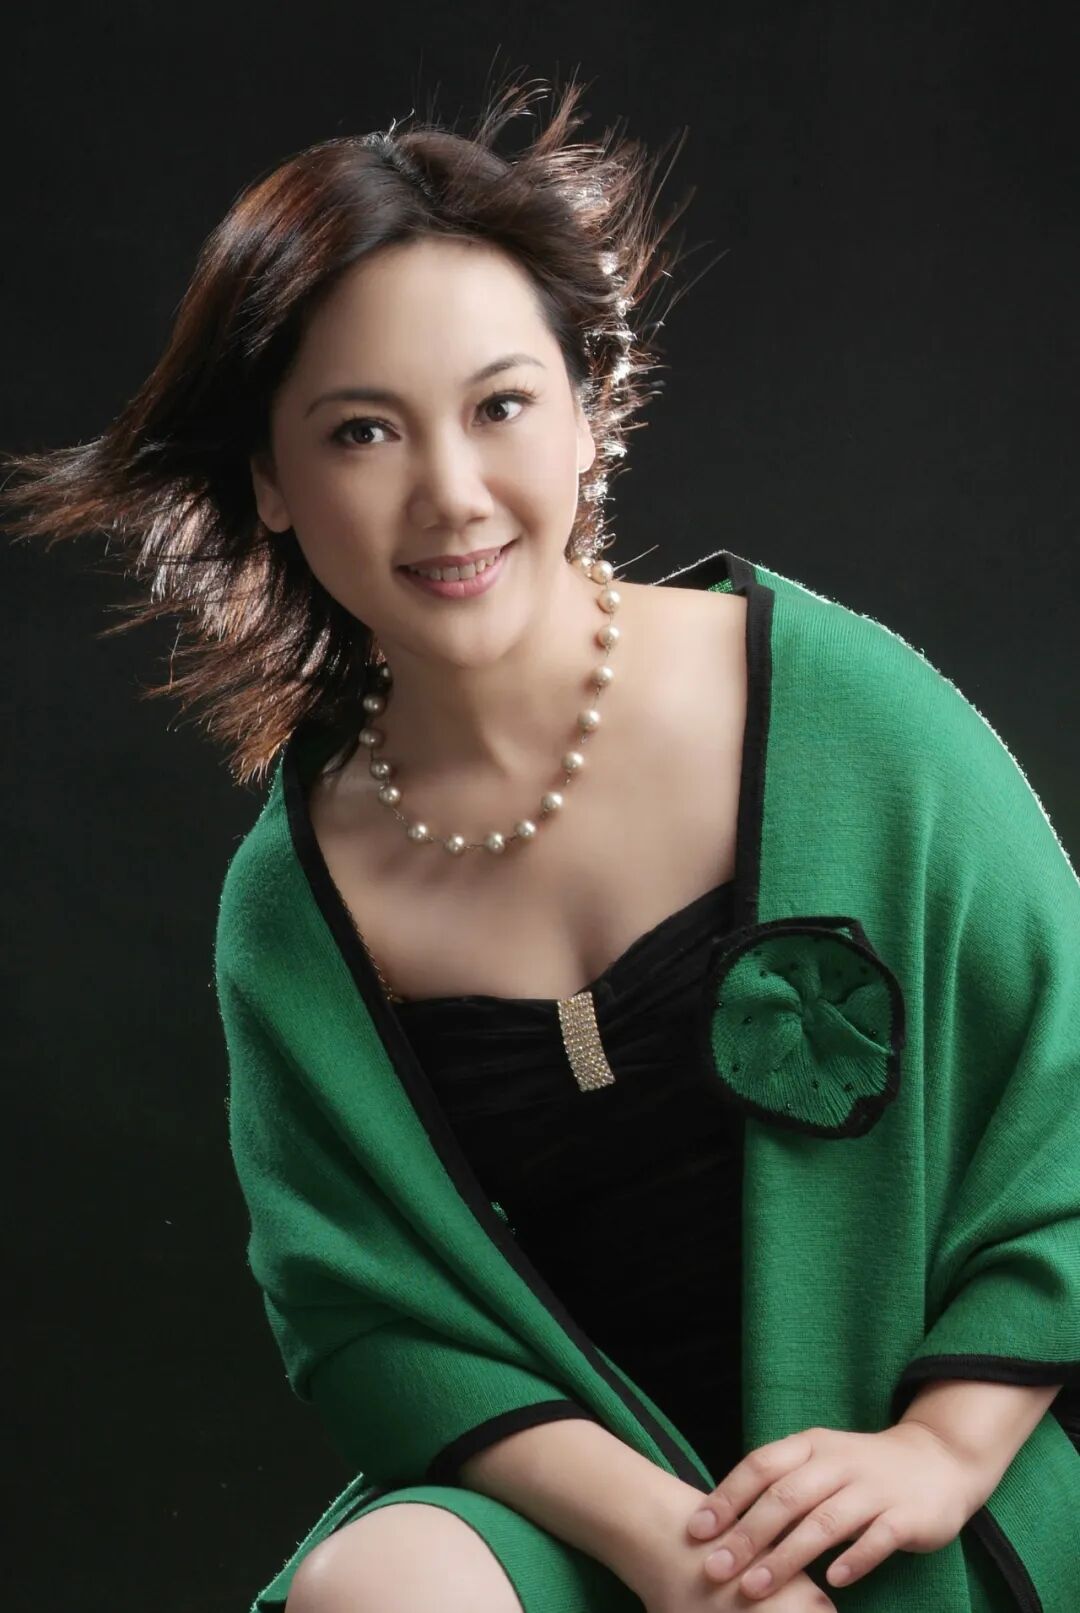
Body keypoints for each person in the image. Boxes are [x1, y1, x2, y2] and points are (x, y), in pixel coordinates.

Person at [3, 74, 1077, 1613]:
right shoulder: (294, 906)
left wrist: (941, 1448)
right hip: (597, 1526)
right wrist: (682, 1556)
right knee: (379, 1586)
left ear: (586, 408)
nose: (450, 495)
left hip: (923, 1478)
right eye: (362, 431)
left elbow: (1065, 1097)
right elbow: (369, 1316)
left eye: (500, 405)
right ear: (271, 483)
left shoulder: (845, 714)